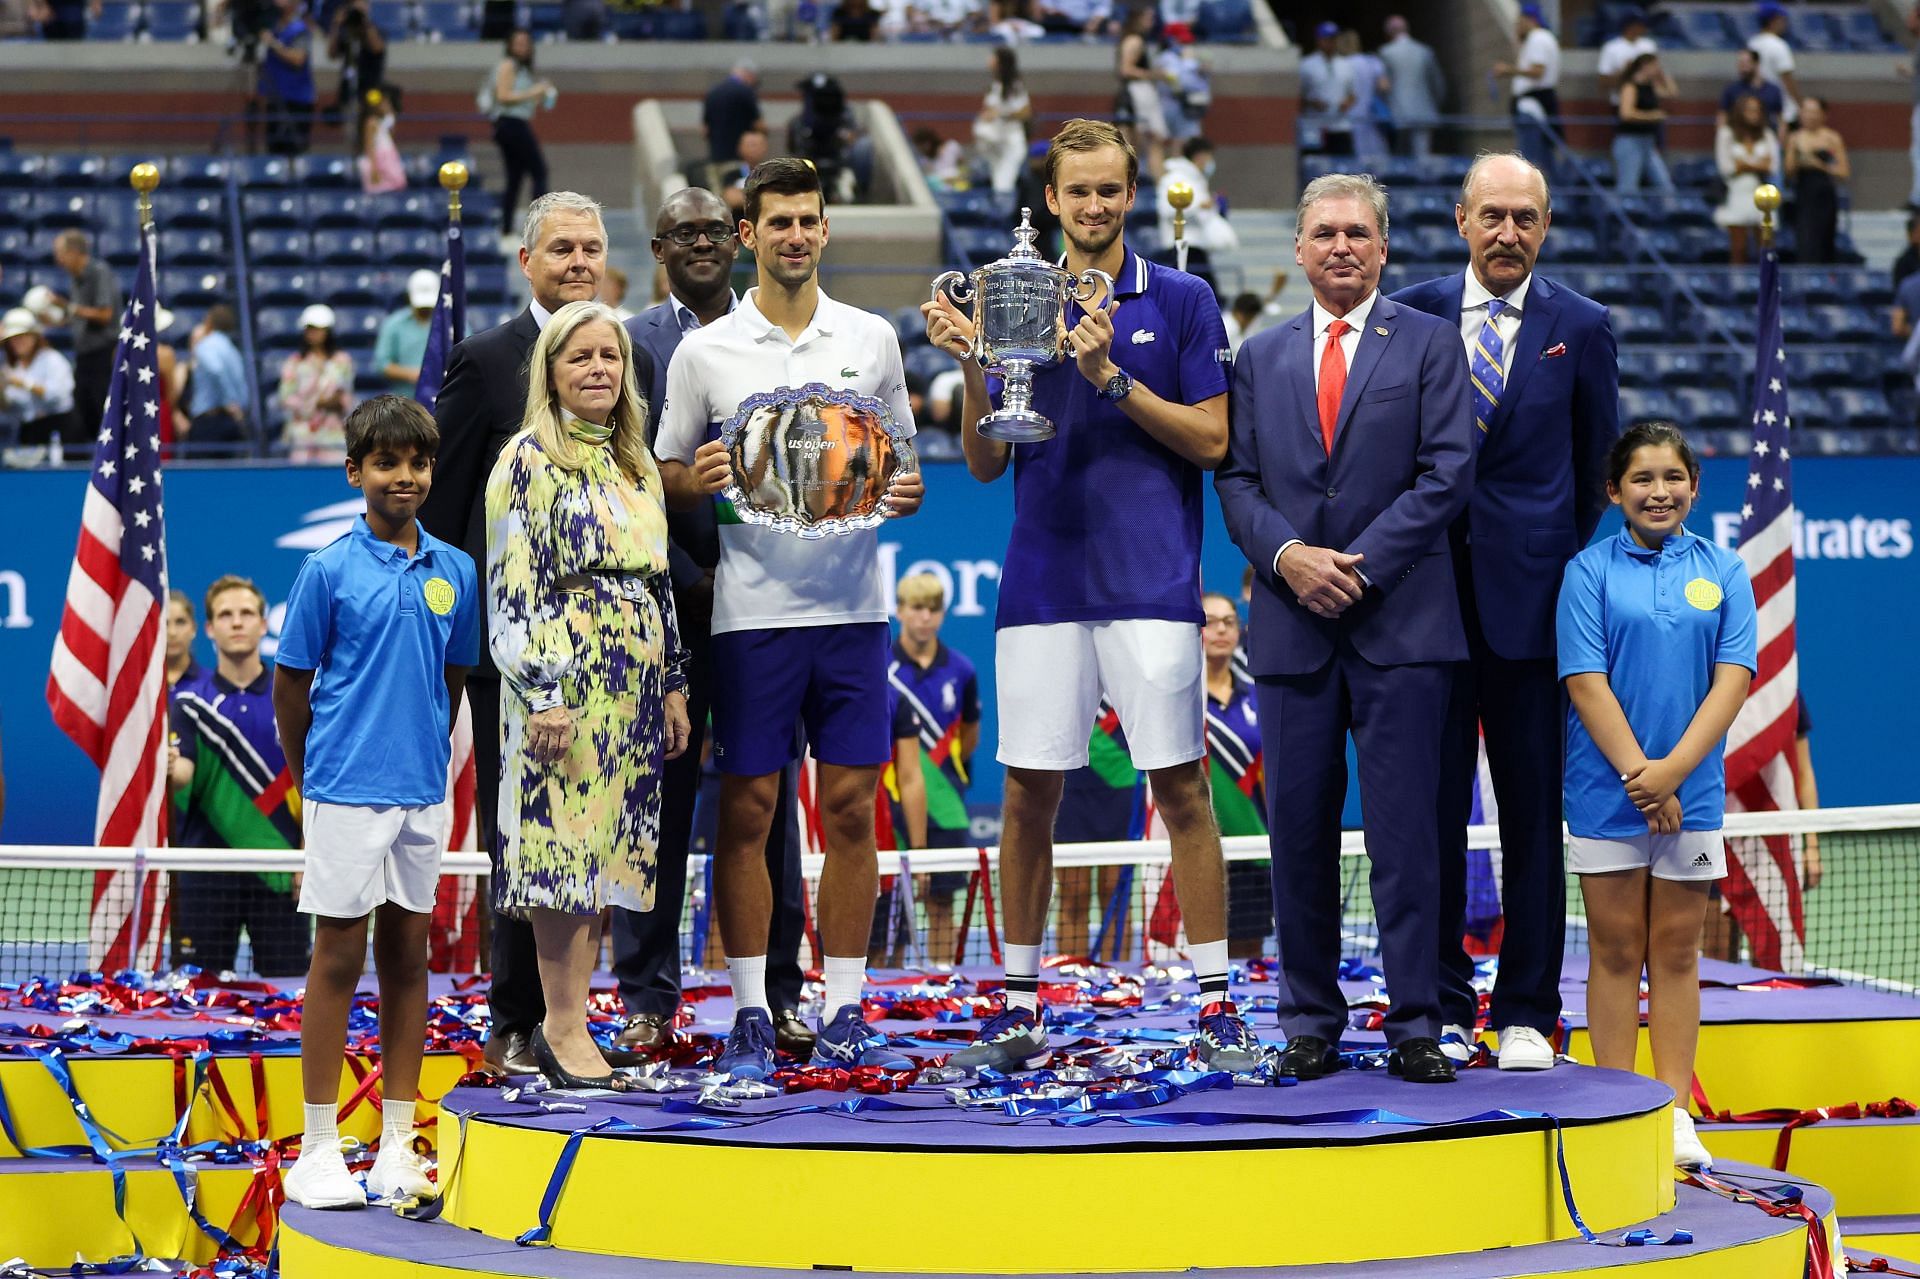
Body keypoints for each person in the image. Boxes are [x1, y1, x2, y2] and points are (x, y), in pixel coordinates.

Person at [923, 118, 1256, 1074]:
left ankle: (1216, 1003)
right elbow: (987, 463)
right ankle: (1020, 1005)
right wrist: (971, 363)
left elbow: (1211, 440)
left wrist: (1109, 376)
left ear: (1132, 190)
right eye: (1079, 192)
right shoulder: (1011, 295)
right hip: (1041, 581)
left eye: (1112, 189)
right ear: (1053, 199)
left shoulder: (1184, 299)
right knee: (1029, 794)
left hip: (1151, 582)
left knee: (1182, 788)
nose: (1096, 205)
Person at [655, 157, 924, 1081]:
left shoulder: (873, 339)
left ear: (824, 229)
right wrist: (701, 475)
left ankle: (845, 1003)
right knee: (749, 811)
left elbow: (905, 474)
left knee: (852, 809)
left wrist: (905, 490)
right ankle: (749, 1010)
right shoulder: (704, 352)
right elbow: (662, 473)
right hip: (750, 613)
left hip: (854, 611)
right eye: (779, 223)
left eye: (810, 220)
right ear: (748, 235)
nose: (796, 236)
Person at [1215, 171, 1474, 1085]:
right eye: (1324, 232)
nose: (1342, 247)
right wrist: (1291, 558)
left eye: (1358, 233)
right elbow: (1236, 482)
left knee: (1409, 838)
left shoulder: (1433, 347)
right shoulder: (1257, 357)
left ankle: (1415, 1021)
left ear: (1384, 247)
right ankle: (1310, 1020)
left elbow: (1447, 475)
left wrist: (1351, 564)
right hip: (1291, 633)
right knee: (1298, 839)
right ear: (1296, 247)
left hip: (1402, 629)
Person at [1392, 152, 1618, 1071]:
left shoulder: (1584, 327)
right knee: (1431, 814)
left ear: (1546, 226)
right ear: (1461, 219)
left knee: (1531, 817)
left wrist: (1538, 562)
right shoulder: (1407, 313)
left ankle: (1526, 1006)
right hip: (1422, 609)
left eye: (1526, 218)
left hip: (1533, 616)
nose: (1508, 233)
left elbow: (1594, 469)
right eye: (1493, 215)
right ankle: (1441, 1000)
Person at [615, 186, 816, 1061]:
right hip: (663, 613)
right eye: (682, 232)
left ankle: (779, 991)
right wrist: (689, 578)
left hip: (765, 607)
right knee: (652, 809)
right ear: (659, 247)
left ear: (736, 242)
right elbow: (622, 479)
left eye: (712, 230)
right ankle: (648, 1000)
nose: (699, 243)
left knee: (768, 811)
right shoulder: (625, 346)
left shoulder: (776, 335)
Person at [421, 189, 615, 1078]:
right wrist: (469, 646)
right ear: (529, 262)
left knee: (586, 838)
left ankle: (569, 1021)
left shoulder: (622, 359)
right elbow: (452, 510)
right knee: (520, 835)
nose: (579, 262)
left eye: (592, 248)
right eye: (563, 248)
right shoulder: (485, 359)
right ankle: (511, 1017)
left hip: (608, 661)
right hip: (515, 656)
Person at [274, 395, 480, 1208]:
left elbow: (452, 679)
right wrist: (310, 775)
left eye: (418, 462)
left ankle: (398, 1139)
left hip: (420, 793)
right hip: (343, 791)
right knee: (337, 958)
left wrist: (424, 748)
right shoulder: (326, 570)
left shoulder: (455, 570)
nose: (405, 476)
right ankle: (319, 1146)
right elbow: (294, 685)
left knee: (407, 958)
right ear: (356, 471)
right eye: (387, 463)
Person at [485, 301, 690, 1088]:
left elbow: (658, 581)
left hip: (632, 690)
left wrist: (671, 684)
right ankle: (561, 1026)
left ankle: (572, 1019)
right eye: (581, 358)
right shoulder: (526, 460)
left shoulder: (635, 460)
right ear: (551, 371)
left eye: (610, 355)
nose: (600, 368)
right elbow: (512, 586)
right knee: (559, 860)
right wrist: (543, 691)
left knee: (603, 860)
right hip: (563, 689)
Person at [1557, 422, 1756, 1170]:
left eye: (1672, 477)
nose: (1658, 491)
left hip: (1692, 794)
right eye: (1641, 478)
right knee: (1613, 950)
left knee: (1675, 953)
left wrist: (1673, 773)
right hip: (1606, 792)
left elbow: (1732, 679)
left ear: (1694, 487)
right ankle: (1615, 1104)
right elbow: (1584, 679)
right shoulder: (1587, 571)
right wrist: (1645, 777)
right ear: (1615, 491)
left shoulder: (1727, 570)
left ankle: (1673, 1112)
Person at [168, 575, 309, 978]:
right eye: (225, 615)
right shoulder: (190, 705)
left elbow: (314, 782)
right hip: (207, 874)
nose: (236, 622)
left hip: (282, 873)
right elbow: (184, 775)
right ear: (209, 628)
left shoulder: (294, 697)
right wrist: (167, 767)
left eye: (246, 613)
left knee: (289, 995)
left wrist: (307, 854)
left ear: (263, 624)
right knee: (198, 1000)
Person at [886, 572, 981, 966]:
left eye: (933, 609)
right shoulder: (881, 667)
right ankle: (886, 988)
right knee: (891, 914)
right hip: (891, 804)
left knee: (942, 903)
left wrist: (947, 771)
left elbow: (970, 733)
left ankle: (943, 984)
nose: (925, 617)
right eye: (916, 608)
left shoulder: (962, 670)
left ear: (942, 615)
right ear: (900, 611)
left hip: (947, 806)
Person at [1201, 592, 1270, 960]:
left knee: (1249, 955)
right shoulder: (1181, 698)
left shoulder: (1256, 695)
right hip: (1198, 847)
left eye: (1229, 621)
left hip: (1252, 845)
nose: (1221, 630)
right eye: (1210, 622)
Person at [49, 229, 120, 440]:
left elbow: (104, 314)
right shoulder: (75, 279)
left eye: (60, 253)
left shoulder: (99, 272)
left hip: (103, 355)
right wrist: (58, 320)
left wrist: (67, 307)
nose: (57, 260)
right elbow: (82, 314)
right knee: (81, 416)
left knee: (103, 411)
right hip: (84, 357)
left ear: (74, 252)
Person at [487, 30, 555, 240]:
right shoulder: (508, 65)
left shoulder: (522, 70)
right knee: (539, 171)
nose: (522, 48)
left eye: (525, 44)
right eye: (517, 44)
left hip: (515, 122)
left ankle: (507, 229)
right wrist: (535, 91)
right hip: (511, 124)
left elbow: (521, 99)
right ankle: (539, 227)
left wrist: (540, 97)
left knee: (515, 178)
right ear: (509, 46)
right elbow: (503, 96)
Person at [278, 304, 356, 463]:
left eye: (318, 329)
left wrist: (337, 402)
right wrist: (315, 403)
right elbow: (286, 398)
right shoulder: (294, 363)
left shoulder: (342, 361)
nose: (314, 333)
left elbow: (346, 395)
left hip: (333, 433)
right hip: (302, 435)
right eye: (310, 329)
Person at [1, 307, 76, 463]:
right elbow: (13, 408)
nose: (18, 343)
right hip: (30, 432)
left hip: (62, 429)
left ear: (34, 338)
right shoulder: (12, 368)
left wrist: (24, 384)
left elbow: (56, 395)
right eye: (14, 339)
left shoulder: (53, 360)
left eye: (23, 337)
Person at [1495, 4, 1561, 179]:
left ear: (1529, 20)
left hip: (1533, 104)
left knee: (1530, 158)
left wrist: (1508, 70)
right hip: (1537, 102)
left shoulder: (1538, 38)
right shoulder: (1537, 39)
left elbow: (1538, 71)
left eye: (1520, 21)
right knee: (1542, 155)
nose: (1517, 25)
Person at [1716, 94, 1780, 268]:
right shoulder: (1726, 133)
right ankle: (1739, 287)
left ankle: (1765, 288)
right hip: (1737, 191)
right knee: (1739, 248)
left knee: (1766, 247)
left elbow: (1772, 166)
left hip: (1762, 191)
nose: (1754, 114)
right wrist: (1758, 164)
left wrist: (1744, 163)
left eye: (1757, 110)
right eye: (1749, 110)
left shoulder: (1767, 134)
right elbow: (1727, 167)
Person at [1786, 97, 1848, 266]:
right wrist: (1801, 160)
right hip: (1804, 194)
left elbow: (1843, 172)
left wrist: (1819, 165)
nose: (1810, 116)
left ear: (1823, 115)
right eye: (1806, 112)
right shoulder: (1795, 138)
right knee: (1806, 241)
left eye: (1814, 112)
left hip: (1826, 194)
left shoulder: (1832, 138)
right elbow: (1788, 171)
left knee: (1825, 241)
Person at [186, 304, 250, 458]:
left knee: (201, 477)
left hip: (208, 423)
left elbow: (215, 370)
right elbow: (241, 385)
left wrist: (228, 402)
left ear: (209, 322)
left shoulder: (205, 346)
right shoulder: (233, 351)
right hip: (230, 423)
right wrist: (239, 407)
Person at [1378, 15, 1445, 162]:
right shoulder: (1424, 51)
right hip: (1424, 110)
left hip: (1398, 110)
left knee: (1401, 158)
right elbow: (1437, 84)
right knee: (1423, 156)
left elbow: (1383, 86)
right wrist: (1435, 105)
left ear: (1389, 33)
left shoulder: (1386, 52)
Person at [1157, 136, 1238, 255]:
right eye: (1209, 156)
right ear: (1200, 156)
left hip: (1198, 244)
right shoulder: (1175, 179)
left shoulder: (1197, 180)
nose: (1210, 161)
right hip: (1180, 246)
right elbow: (1167, 211)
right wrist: (1199, 206)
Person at [1115, 5, 1168, 181]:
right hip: (1138, 92)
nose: (1151, 23)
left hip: (1139, 92)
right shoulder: (1134, 41)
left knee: (1149, 140)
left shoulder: (1136, 40)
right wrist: (1154, 74)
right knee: (1151, 138)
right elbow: (1126, 69)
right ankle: (1155, 179)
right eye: (1148, 18)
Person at [258, 0, 316, 157]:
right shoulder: (274, 28)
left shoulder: (299, 29)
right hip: (275, 98)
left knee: (295, 151)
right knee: (274, 152)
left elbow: (298, 58)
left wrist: (273, 44)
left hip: (296, 100)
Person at [1613, 53, 1676, 194]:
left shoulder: (1651, 86)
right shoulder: (1630, 86)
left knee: (1665, 185)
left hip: (1648, 141)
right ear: (1644, 67)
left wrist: (1664, 75)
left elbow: (1672, 93)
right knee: (1628, 187)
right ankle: (1626, 214)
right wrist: (1652, 116)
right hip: (1630, 141)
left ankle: (1670, 213)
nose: (1657, 68)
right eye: (1654, 66)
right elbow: (1626, 113)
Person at [974, 47, 1031, 197]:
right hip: (995, 142)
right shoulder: (995, 85)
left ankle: (1005, 214)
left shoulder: (1014, 86)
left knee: (1004, 182)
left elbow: (1025, 112)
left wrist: (999, 113)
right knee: (995, 180)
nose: (988, 60)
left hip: (1010, 142)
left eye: (992, 57)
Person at [376, 269, 439, 397]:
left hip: (442, 398)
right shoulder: (394, 324)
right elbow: (382, 364)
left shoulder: (452, 322)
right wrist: (413, 374)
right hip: (406, 401)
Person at [1298, 21, 1353, 155]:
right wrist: (1312, 103)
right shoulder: (1307, 65)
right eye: (1327, 39)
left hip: (1340, 125)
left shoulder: (1345, 64)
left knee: (1341, 169)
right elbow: (1298, 96)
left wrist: (1347, 102)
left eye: (1333, 39)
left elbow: (1352, 94)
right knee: (1315, 168)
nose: (1331, 43)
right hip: (1315, 125)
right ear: (1319, 40)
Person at [1336, 29, 1388, 164]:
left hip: (1345, 118)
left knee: (1349, 162)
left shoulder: (1339, 64)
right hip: (1368, 116)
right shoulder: (1371, 61)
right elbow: (1384, 86)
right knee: (1375, 159)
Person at [702, 61, 763, 175]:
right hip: (739, 160)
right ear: (749, 75)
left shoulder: (713, 92)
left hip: (716, 157)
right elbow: (758, 124)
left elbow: (705, 130)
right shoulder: (746, 91)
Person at [1748, 2, 1801, 129]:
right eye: (1782, 19)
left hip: (1759, 105)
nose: (1784, 23)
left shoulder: (1752, 43)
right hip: (1784, 108)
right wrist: (1800, 104)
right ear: (1773, 20)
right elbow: (1787, 79)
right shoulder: (1779, 45)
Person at [1596, 7, 1656, 105]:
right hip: (1620, 102)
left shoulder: (1649, 45)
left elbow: (1655, 75)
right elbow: (1603, 82)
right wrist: (1627, 72)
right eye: (1639, 24)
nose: (1644, 28)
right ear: (1629, 26)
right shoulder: (1611, 47)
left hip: (1647, 101)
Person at [1717, 47, 1784, 132]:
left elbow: (1780, 119)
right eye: (1740, 63)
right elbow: (1723, 117)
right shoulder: (1731, 90)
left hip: (1766, 136)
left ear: (1756, 63)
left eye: (1746, 63)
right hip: (1738, 137)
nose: (1742, 67)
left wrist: (1781, 141)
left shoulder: (1773, 90)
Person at [357, 88, 406, 194]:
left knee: (395, 188)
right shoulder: (371, 122)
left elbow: (391, 127)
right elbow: (369, 145)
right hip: (378, 160)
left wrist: (388, 109)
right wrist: (374, 168)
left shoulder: (381, 121)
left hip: (388, 158)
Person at [165, 589, 202, 688]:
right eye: (165, 623)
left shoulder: (211, 684)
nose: (172, 632)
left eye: (180, 622)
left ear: (193, 628)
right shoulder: (142, 687)